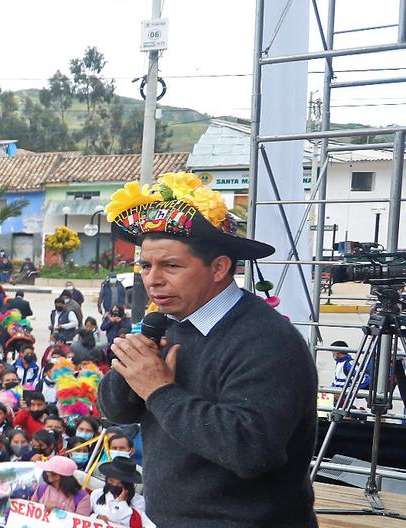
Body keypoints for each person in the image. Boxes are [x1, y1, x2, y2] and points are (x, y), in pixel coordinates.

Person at [97, 172, 316, 526]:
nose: (152, 279)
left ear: (219, 268)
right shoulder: (167, 322)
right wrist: (135, 364)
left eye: (170, 265)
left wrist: (159, 389)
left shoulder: (267, 340)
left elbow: (249, 450)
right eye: (146, 265)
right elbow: (116, 409)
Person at [87, 458, 153, 527]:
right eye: (111, 481)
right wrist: (96, 517)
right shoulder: (97, 494)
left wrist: (121, 503)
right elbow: (84, 514)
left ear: (128, 484)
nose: (114, 485)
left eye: (119, 483)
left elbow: (124, 521)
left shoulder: (139, 501)